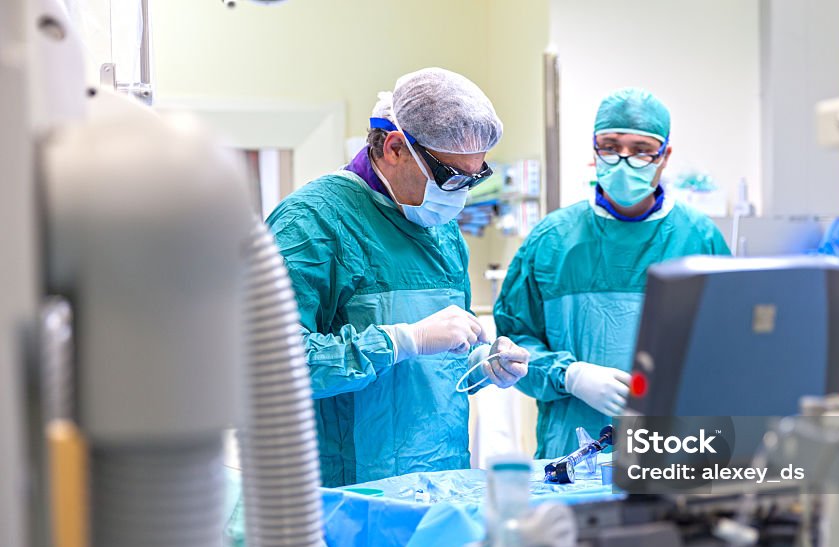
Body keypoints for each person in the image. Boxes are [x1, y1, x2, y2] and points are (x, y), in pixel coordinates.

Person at [267, 68, 529, 487]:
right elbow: (270, 365)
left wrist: (482, 365)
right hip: (349, 495)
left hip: (444, 481)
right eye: (450, 177)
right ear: (394, 148)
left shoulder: (441, 231)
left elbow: (439, 359)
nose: (461, 195)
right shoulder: (310, 224)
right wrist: (401, 341)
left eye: (474, 178)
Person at [495, 88, 730, 459]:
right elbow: (512, 345)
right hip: (571, 454)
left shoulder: (699, 239)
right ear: (594, 149)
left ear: (664, 156)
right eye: (610, 145)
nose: (623, 160)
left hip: (675, 448)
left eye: (640, 149)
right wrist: (569, 375)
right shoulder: (551, 240)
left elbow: (729, 348)